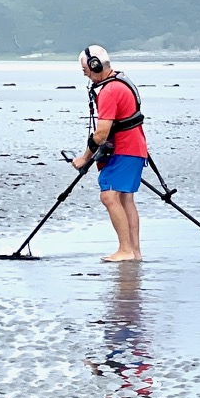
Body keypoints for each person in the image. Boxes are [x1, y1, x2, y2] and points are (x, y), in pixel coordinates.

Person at [71, 45, 149, 261]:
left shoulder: (110, 91)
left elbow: (102, 133)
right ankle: (134, 252)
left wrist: (84, 157)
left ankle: (125, 250)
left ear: (95, 64)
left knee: (108, 195)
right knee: (125, 199)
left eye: (85, 68)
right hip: (135, 149)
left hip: (125, 150)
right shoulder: (120, 81)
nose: (84, 72)